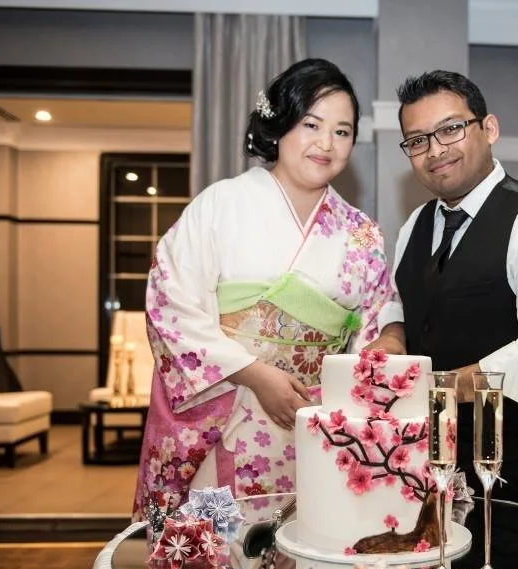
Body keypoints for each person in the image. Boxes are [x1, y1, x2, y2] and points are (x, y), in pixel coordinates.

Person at [133, 58, 394, 520]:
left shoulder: (361, 232)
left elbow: (376, 321)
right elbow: (170, 303)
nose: (326, 143)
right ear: (280, 125)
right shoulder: (221, 204)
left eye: (342, 131)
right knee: (224, 558)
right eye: (311, 124)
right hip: (230, 407)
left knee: (306, 558)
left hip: (315, 420)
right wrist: (256, 374)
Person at [368, 70, 518, 503]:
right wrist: (391, 335)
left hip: (512, 465)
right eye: (417, 140)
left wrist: (440, 389)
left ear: (488, 128)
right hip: (422, 461)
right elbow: (404, 302)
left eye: (450, 129)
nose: (435, 151)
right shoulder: (416, 223)